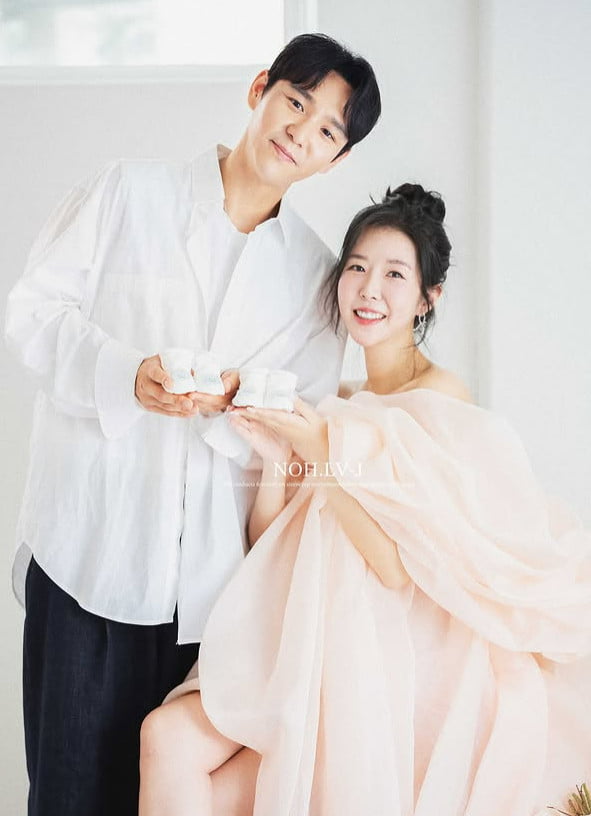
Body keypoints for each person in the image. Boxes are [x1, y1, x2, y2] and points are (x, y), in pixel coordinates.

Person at [3, 33, 381, 816]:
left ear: (334, 160)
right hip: (88, 550)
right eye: (294, 101)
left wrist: (245, 397)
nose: (299, 131)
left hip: (209, 592)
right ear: (258, 89)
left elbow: (302, 423)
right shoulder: (127, 193)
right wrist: (124, 373)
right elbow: (33, 315)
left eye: (324, 131)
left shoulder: (315, 279)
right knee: (66, 795)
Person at [138, 184, 591, 816]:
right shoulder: (340, 399)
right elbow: (272, 544)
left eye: (394, 274)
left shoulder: (441, 403)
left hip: (371, 670)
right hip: (297, 642)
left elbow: (397, 567)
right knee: (167, 739)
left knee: (205, 782)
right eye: (356, 267)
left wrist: (320, 451)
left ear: (428, 297)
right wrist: (278, 460)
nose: (368, 289)